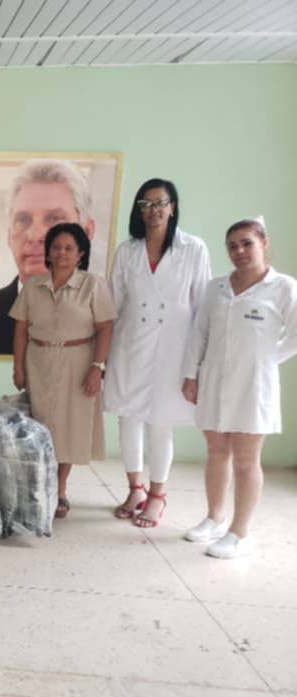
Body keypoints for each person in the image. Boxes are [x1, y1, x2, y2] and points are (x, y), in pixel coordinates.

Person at [181, 218, 297, 559]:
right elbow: (198, 334)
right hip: (213, 378)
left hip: (254, 384)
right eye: (232, 246)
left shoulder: (284, 287)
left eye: (247, 243)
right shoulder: (215, 287)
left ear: (264, 242)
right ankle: (214, 518)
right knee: (216, 451)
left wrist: (266, 359)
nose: (239, 251)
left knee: (246, 459)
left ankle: (240, 533)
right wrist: (191, 376)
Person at [103, 179, 210, 528]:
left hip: (173, 348)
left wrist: (196, 364)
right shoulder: (127, 251)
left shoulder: (194, 249)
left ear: (173, 207)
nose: (154, 210)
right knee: (128, 417)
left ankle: (157, 496)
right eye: (146, 204)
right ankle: (134, 488)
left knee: (161, 423)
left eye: (160, 202)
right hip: (130, 344)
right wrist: (101, 356)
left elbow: (201, 308)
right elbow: (113, 304)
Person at [10, 222, 116, 519]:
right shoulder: (33, 285)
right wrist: (17, 366)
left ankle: (58, 489)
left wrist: (98, 367)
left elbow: (106, 328)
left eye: (69, 248)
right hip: (39, 361)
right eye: (56, 247)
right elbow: (20, 328)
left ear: (81, 253)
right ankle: (35, 486)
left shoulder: (93, 285)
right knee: (39, 427)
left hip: (78, 362)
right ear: (48, 252)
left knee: (68, 429)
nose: (61, 253)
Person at [0, 159, 97, 354]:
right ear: (8, 236)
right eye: (23, 220)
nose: (35, 235)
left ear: (86, 233)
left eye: (54, 219)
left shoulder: (109, 321)